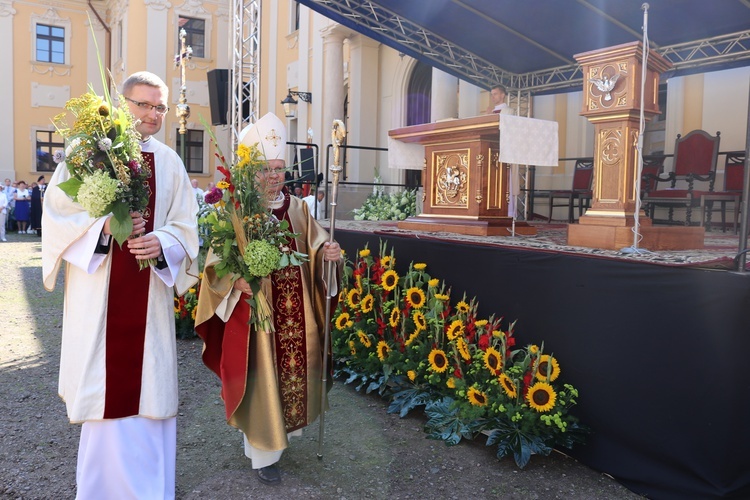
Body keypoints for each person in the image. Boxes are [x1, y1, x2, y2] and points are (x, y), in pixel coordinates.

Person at [41, 71, 200, 499]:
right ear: (121, 102)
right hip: (100, 294)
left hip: (148, 299)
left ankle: (152, 491)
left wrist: (162, 242)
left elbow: (187, 226)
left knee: (150, 391)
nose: (152, 114)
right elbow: (56, 214)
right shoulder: (84, 152)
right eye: (143, 104)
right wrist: (104, 228)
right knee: (104, 391)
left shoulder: (170, 161)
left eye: (160, 106)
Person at [195, 112, 342, 487]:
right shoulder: (235, 208)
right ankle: (262, 452)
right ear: (250, 171)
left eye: (280, 168)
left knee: (290, 373)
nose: (275, 176)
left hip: (296, 315)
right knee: (260, 376)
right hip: (255, 318)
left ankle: (283, 435)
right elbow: (214, 263)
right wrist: (236, 282)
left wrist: (328, 253)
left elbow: (314, 243)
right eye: (266, 169)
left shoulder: (297, 209)